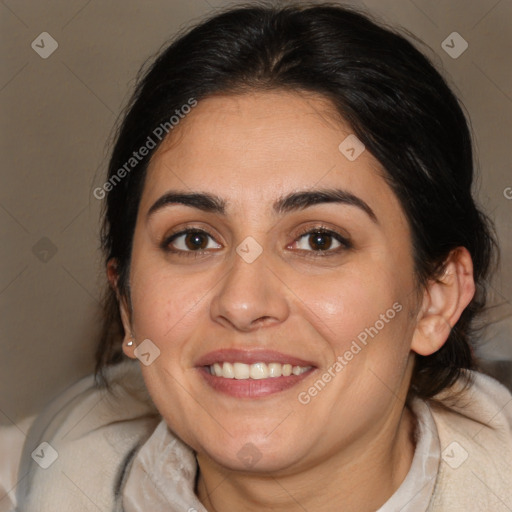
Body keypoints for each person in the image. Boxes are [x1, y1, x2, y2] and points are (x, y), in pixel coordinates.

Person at [7, 2, 512, 511]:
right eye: (194, 239)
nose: (243, 302)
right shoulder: (40, 475)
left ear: (436, 298)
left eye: (319, 240)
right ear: (126, 301)